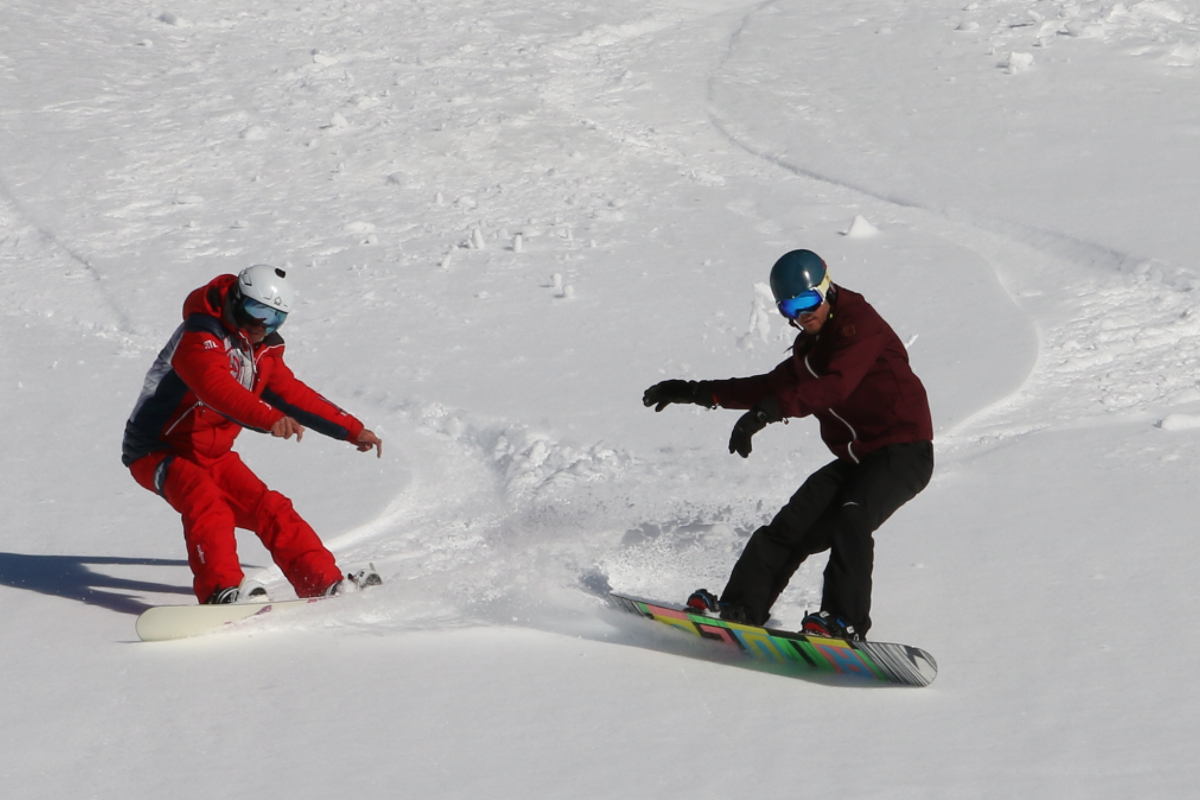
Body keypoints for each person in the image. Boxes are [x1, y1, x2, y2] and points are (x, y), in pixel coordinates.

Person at [642, 249, 933, 640]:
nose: (802, 314)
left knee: (853, 517)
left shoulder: (859, 325)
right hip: (855, 459)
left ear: (826, 290)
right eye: (790, 307)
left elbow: (835, 385)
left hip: (903, 451)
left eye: (808, 301)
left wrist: (768, 413)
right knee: (789, 528)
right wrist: (696, 392)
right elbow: (767, 386)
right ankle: (741, 608)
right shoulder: (809, 349)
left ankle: (844, 622)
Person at [122, 264, 384, 604]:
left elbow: (293, 394)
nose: (263, 326)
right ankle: (222, 591)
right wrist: (268, 417)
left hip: (211, 453)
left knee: (271, 508)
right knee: (205, 500)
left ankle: (323, 583)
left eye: (275, 319)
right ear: (235, 300)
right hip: (157, 449)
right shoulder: (200, 334)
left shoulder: (260, 351)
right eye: (256, 311)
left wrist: (352, 429)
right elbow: (215, 387)